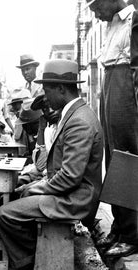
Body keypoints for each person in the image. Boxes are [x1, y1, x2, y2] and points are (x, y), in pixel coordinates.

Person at [0, 59, 103, 270]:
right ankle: (34, 254)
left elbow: (70, 176)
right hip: (71, 193)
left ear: (61, 89)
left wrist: (37, 187)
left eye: (47, 90)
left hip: (76, 200)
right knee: (16, 196)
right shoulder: (74, 114)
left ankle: (28, 263)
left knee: (5, 214)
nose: (45, 96)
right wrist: (37, 185)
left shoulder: (79, 120)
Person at [87, 0, 138, 257]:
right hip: (110, 83)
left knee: (126, 159)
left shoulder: (133, 18)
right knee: (114, 158)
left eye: (97, 7)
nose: (96, 14)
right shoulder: (111, 25)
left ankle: (132, 234)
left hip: (124, 87)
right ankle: (120, 227)